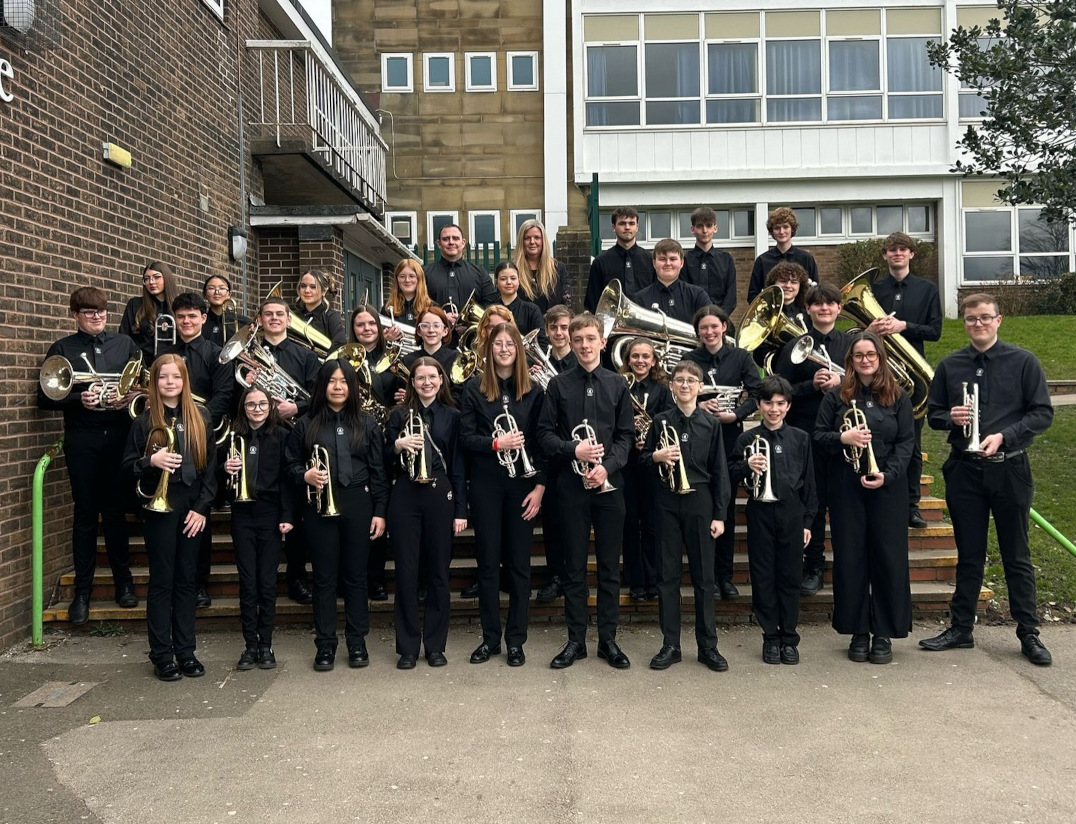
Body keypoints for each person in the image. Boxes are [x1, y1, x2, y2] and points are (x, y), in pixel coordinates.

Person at [919, 294, 1054, 666]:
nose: (977, 324)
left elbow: (1042, 413)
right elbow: (933, 415)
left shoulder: (1023, 362)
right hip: (965, 469)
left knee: (1017, 555)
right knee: (970, 554)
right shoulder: (950, 365)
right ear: (964, 323)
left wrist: (1005, 436)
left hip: (1008, 467)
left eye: (984, 318)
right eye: (970, 319)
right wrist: (953, 418)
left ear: (999, 320)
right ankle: (961, 629)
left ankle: (1029, 633)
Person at [37, 286, 141, 625]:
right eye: (88, 312)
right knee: (84, 514)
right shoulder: (62, 349)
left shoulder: (124, 345)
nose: (97, 317)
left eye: (101, 311)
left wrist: (128, 398)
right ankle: (82, 593)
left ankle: (124, 584)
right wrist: (75, 400)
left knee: (114, 513)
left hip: (118, 438)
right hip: (82, 439)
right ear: (75, 315)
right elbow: (45, 397)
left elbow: (140, 383)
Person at [537, 313, 635, 669]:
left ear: (602, 342)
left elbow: (627, 436)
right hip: (571, 489)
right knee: (573, 569)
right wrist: (573, 450)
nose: (584, 345)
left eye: (590, 338)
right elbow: (545, 435)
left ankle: (608, 640)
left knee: (609, 568)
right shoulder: (558, 385)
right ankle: (575, 641)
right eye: (577, 339)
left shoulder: (617, 384)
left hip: (609, 489)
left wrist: (607, 467)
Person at [815, 332, 913, 665]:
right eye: (858, 355)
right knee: (851, 556)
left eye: (871, 354)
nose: (865, 360)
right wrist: (844, 436)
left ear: (880, 357)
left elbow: (907, 444)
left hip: (888, 486)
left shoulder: (898, 396)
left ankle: (883, 632)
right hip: (847, 485)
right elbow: (818, 436)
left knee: (888, 557)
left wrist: (890, 474)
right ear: (850, 361)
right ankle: (857, 630)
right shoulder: (836, 396)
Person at [286, 359, 388, 671]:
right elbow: (289, 464)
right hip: (319, 505)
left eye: (344, 381)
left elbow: (378, 471)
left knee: (357, 577)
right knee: (324, 578)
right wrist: (305, 476)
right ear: (322, 386)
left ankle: (357, 643)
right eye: (332, 381)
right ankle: (326, 645)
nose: (338, 387)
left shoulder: (367, 423)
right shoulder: (306, 424)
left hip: (358, 502)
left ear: (353, 386)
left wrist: (380, 512)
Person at [123, 355, 216, 682]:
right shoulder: (144, 422)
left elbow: (210, 472)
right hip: (160, 508)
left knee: (187, 579)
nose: (170, 382)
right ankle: (162, 654)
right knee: (162, 580)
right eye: (163, 377)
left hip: (192, 507)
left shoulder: (201, 417)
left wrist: (202, 508)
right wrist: (152, 461)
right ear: (155, 381)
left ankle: (186, 651)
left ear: (184, 380)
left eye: (176, 377)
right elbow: (127, 467)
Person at [460, 324, 545, 666]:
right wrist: (497, 443)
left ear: (519, 350)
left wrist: (540, 488)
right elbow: (466, 439)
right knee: (488, 565)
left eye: (511, 343)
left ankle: (516, 640)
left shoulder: (534, 392)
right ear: (489, 349)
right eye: (499, 344)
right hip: (486, 487)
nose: (505, 349)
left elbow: (543, 443)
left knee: (520, 566)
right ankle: (490, 638)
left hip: (523, 487)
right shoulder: (473, 390)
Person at [641, 360, 731, 672]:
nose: (684, 385)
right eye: (679, 380)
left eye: (691, 380)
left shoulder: (712, 424)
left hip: (701, 501)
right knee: (667, 576)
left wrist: (719, 515)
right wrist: (655, 455)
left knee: (705, 578)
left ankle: (708, 646)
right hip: (667, 501)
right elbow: (641, 461)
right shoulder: (661, 421)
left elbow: (720, 472)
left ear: (700, 387)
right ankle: (671, 645)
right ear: (671, 386)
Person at [385, 357, 468, 669]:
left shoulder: (452, 416)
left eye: (432, 377)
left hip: (439, 492)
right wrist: (397, 445)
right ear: (413, 382)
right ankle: (407, 647)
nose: (427, 383)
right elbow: (384, 461)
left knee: (438, 573)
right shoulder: (399, 415)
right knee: (406, 572)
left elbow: (459, 466)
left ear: (441, 380)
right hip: (406, 492)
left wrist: (461, 509)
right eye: (420, 378)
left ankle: (435, 645)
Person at [731, 375, 816, 665]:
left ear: (789, 406)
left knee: (790, 577)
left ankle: (789, 638)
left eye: (780, 403)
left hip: (792, 513)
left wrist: (807, 522)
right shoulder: (746, 439)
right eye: (768, 403)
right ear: (758, 405)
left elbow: (810, 485)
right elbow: (729, 473)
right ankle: (770, 637)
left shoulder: (800, 438)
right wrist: (746, 465)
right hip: (760, 512)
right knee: (764, 576)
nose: (774, 409)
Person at [774, 283, 851, 595]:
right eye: (817, 304)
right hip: (805, 433)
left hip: (844, 434)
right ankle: (814, 566)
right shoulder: (794, 346)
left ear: (839, 308)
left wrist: (842, 380)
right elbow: (778, 389)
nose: (824, 309)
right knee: (813, 504)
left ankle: (848, 565)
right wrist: (810, 384)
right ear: (807, 309)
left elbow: (869, 382)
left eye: (830, 304)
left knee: (845, 503)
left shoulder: (850, 343)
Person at [681, 305, 761, 599]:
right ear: (698, 331)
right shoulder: (690, 359)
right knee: (703, 507)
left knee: (724, 506)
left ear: (725, 326)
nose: (709, 332)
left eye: (714, 326)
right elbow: (679, 390)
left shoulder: (740, 357)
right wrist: (697, 405)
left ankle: (725, 576)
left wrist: (736, 414)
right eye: (704, 328)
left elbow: (756, 393)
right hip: (698, 438)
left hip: (728, 436)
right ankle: (707, 577)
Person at [867, 232, 943, 528]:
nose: (897, 253)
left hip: (913, 375)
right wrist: (872, 329)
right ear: (885, 255)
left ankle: (911, 505)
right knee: (877, 437)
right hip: (879, 372)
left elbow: (935, 331)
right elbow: (861, 332)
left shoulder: (927, 289)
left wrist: (903, 326)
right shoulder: (874, 288)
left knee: (910, 443)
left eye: (903, 249)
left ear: (911, 254)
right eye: (892, 250)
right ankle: (879, 497)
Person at [168, 292, 234, 608]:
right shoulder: (167, 356)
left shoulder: (217, 354)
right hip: (171, 439)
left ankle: (200, 583)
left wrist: (197, 419)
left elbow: (224, 396)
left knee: (200, 509)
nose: (187, 321)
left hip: (204, 437)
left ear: (203, 319)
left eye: (193, 316)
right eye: (181, 317)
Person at [256, 297, 321, 605]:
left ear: (288, 319)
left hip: (295, 435)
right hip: (261, 439)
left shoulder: (305, 355)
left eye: (280, 314)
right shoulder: (250, 355)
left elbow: (318, 396)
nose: (274, 318)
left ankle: (297, 577)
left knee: (296, 509)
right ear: (259, 319)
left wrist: (295, 406)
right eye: (268, 314)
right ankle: (261, 578)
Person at [224, 386, 294, 671]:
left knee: (266, 583)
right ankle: (249, 645)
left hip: (270, 514)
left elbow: (289, 479)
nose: (257, 409)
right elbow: (220, 483)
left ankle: (266, 644)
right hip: (241, 514)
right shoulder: (232, 437)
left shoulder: (282, 436)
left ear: (270, 407)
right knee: (247, 583)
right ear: (243, 407)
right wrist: (225, 468)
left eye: (262, 404)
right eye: (251, 404)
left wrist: (287, 514)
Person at [347, 304, 402, 601]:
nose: (366, 329)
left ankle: (376, 578)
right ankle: (354, 577)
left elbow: (401, 396)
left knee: (381, 504)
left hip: (383, 440)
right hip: (354, 440)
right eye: (360, 324)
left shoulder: (391, 358)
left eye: (371, 324)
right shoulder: (346, 357)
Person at [621, 338, 673, 602]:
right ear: (628, 360)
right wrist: (632, 441)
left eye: (645, 357)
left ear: (653, 361)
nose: (640, 361)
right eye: (635, 356)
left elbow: (668, 423)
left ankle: (653, 579)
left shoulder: (662, 391)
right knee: (630, 523)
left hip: (653, 464)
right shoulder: (620, 386)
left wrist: (650, 441)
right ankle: (635, 580)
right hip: (628, 463)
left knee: (652, 524)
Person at [534, 305, 576, 604]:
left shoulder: (581, 361)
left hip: (577, 448)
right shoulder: (539, 362)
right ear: (547, 332)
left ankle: (573, 576)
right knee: (551, 521)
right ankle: (555, 576)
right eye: (554, 328)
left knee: (573, 521)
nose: (559, 333)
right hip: (549, 451)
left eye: (564, 327)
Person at [423, 224, 497, 327]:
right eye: (446, 239)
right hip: (435, 335)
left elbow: (491, 303)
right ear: (439, 244)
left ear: (463, 243)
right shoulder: (425, 273)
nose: (451, 242)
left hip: (471, 338)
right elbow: (420, 303)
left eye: (456, 238)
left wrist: (469, 323)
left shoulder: (480, 273)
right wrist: (440, 317)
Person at [583, 207, 656, 312]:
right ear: (613, 227)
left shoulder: (650, 260)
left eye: (631, 223)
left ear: (637, 227)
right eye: (622, 223)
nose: (627, 227)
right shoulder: (600, 262)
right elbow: (592, 303)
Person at [631, 238, 711, 326]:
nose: (668, 263)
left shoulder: (697, 295)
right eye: (662, 259)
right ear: (654, 263)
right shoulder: (639, 299)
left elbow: (711, 325)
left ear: (681, 263)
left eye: (673, 259)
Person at [748, 207, 819, 302]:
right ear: (772, 231)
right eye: (777, 228)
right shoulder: (762, 260)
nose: (781, 232)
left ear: (792, 229)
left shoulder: (806, 258)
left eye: (785, 227)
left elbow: (815, 291)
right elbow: (753, 295)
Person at [119, 261, 180, 364]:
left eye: (156, 277)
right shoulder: (135, 304)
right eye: (146, 279)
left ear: (167, 278)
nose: (151, 282)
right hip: (141, 367)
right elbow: (124, 337)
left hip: (169, 366)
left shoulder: (178, 306)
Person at [683, 207, 737, 314]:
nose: (704, 230)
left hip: (720, 323)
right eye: (699, 226)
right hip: (692, 323)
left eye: (708, 225)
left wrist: (718, 319)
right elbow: (684, 294)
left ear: (715, 228)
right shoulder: (684, 260)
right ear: (692, 229)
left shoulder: (726, 260)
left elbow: (731, 298)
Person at [514, 218, 570, 314]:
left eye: (537, 237)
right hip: (521, 328)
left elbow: (567, 305)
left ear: (543, 240)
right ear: (521, 242)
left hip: (552, 326)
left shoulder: (558, 268)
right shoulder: (513, 270)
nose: (532, 242)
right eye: (527, 238)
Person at [491, 260, 546, 342]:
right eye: (503, 279)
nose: (509, 282)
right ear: (496, 282)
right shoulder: (490, 310)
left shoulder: (532, 310)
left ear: (519, 281)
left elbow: (542, 341)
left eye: (513, 278)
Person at [294, 269, 346, 351]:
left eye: (313, 287)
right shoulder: (294, 316)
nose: (307, 291)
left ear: (324, 290)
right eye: (303, 286)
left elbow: (340, 343)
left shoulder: (331, 317)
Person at [202, 275, 251, 349]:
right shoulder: (199, 322)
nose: (217, 292)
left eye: (222, 288)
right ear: (205, 294)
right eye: (211, 288)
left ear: (229, 294)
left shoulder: (244, 322)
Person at [383, 258, 433, 328]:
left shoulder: (432, 308)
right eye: (402, 276)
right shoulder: (387, 309)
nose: (407, 280)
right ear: (397, 280)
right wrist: (387, 337)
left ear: (419, 279)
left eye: (412, 276)